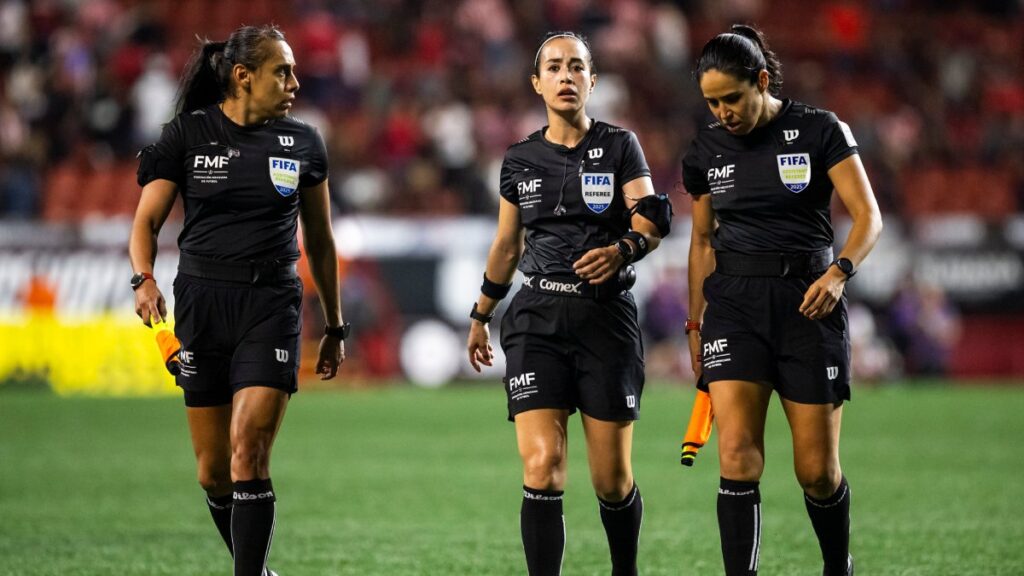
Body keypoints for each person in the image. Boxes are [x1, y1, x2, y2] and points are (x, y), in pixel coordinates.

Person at [129, 25, 349, 576]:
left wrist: (335, 325)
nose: (295, 82)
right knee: (212, 471)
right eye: (283, 71)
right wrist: (143, 279)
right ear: (243, 77)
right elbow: (146, 222)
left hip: (271, 304)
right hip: (202, 302)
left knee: (248, 448)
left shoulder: (303, 143)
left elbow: (320, 241)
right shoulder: (186, 135)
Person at [466, 31, 672, 576]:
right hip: (536, 318)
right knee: (543, 465)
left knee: (611, 480)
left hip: (605, 318)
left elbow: (650, 219)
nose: (566, 76)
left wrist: (625, 248)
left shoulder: (621, 146)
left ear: (592, 80)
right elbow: (508, 246)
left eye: (576, 67)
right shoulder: (518, 160)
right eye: (554, 67)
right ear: (537, 83)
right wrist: (481, 315)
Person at [682, 24, 883, 576]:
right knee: (736, 456)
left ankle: (836, 567)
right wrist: (694, 324)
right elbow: (702, 241)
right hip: (734, 307)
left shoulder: (820, 130)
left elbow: (868, 218)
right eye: (712, 102)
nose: (722, 111)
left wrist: (840, 273)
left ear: (762, 80)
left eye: (732, 98)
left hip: (807, 305)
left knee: (816, 471)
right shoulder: (703, 150)